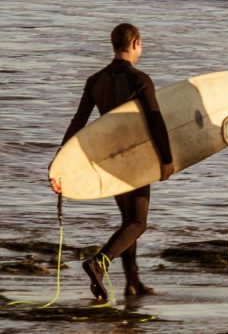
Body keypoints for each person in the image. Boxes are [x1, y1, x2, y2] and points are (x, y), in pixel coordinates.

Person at [51, 23, 174, 300]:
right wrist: (166, 159)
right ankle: (99, 263)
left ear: (113, 44)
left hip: (108, 158)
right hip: (135, 158)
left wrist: (58, 161)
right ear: (135, 43)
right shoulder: (140, 79)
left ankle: (133, 283)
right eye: (140, 45)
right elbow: (156, 121)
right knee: (138, 223)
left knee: (127, 220)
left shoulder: (95, 80)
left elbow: (79, 122)